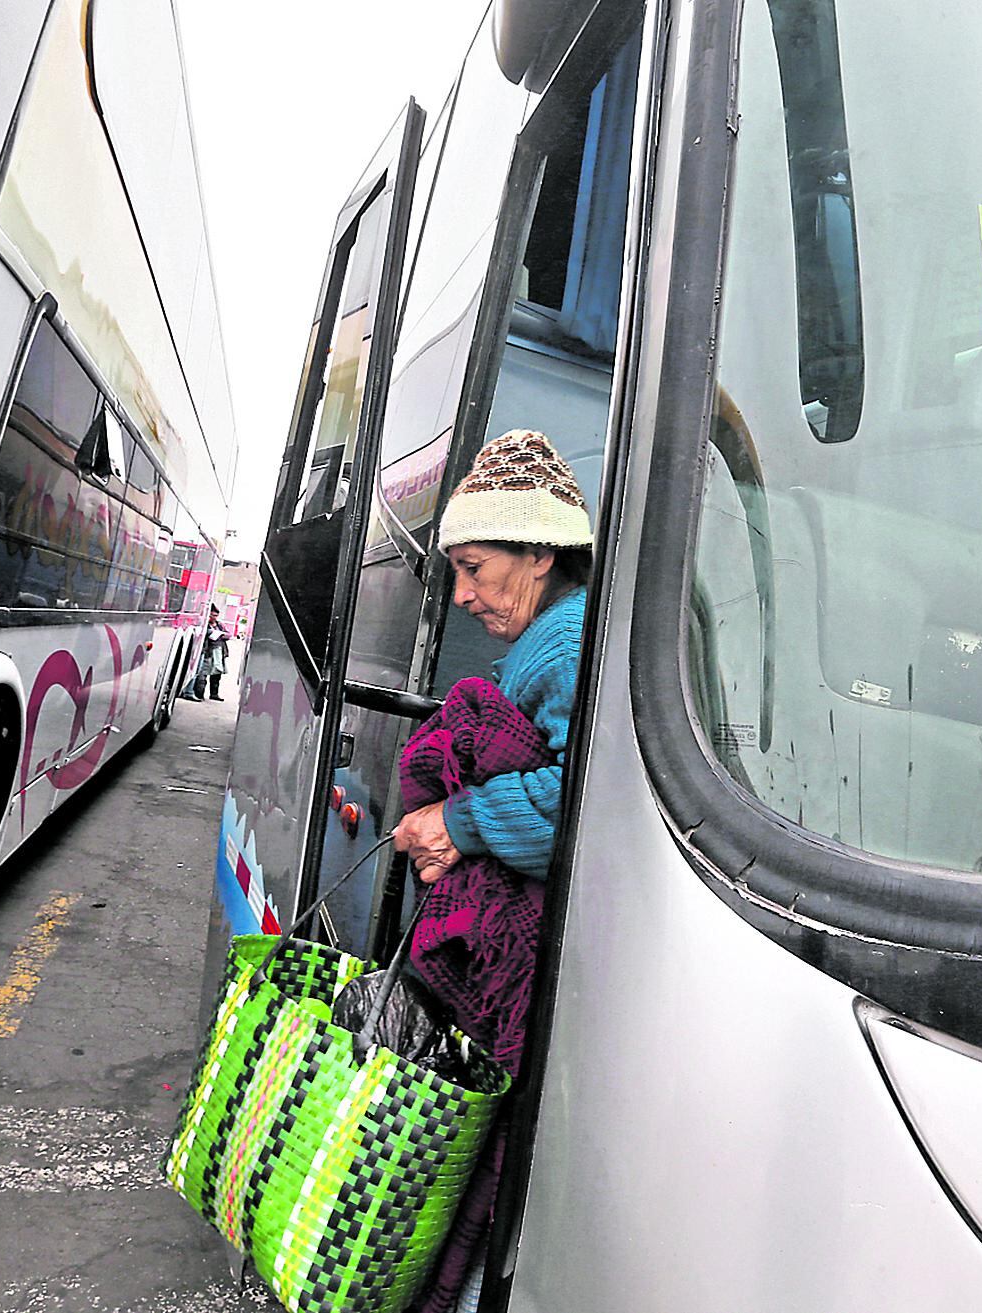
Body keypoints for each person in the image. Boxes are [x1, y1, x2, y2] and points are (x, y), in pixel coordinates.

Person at [389, 429, 592, 1313]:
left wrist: (459, 820)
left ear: (539, 552)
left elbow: (573, 796)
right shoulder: (559, 634)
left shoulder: (569, 642)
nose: (463, 594)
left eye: (475, 567)